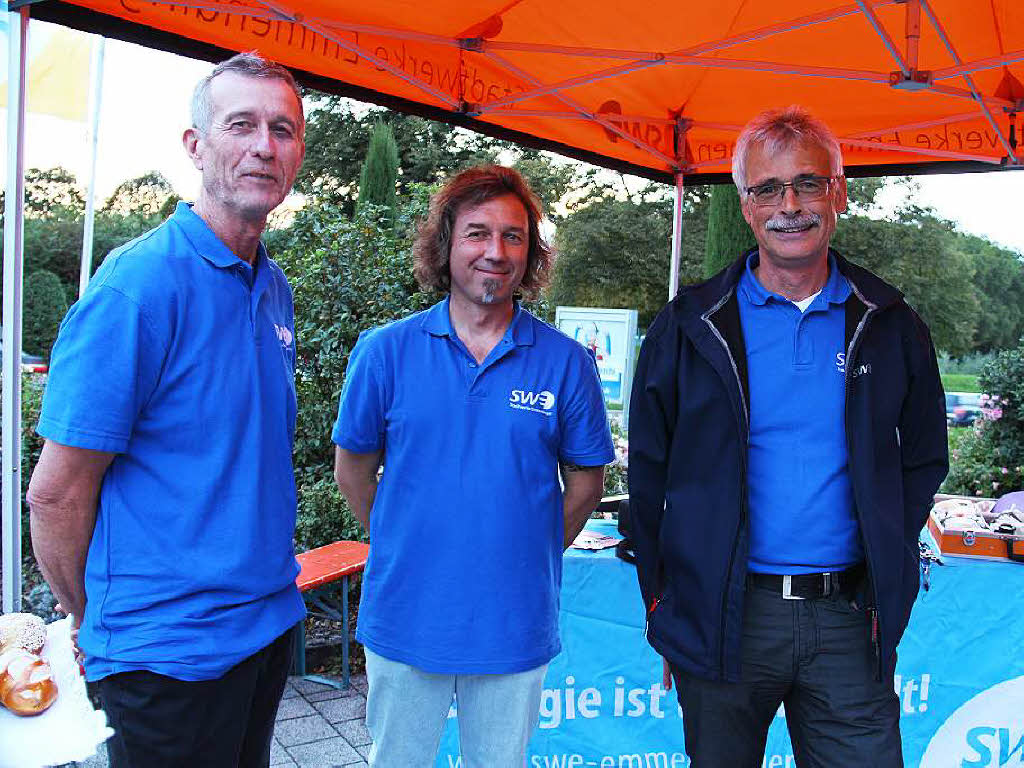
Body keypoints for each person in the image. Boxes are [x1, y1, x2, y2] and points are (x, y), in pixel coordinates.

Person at [628, 106, 948, 767]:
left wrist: (885, 546)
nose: (790, 206)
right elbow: (648, 477)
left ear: (841, 192)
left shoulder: (889, 323)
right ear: (745, 205)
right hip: (725, 615)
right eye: (767, 188)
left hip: (846, 619)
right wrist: (668, 605)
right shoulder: (690, 324)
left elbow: (924, 457)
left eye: (808, 182)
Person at [27, 52, 306, 768]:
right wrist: (103, 625)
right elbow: (56, 494)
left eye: (283, 129)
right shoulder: (138, 287)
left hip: (264, 626)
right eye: (241, 125)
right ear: (196, 145)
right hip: (166, 656)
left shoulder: (272, 286)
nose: (263, 146)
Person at [332, 165, 615, 767]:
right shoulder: (384, 352)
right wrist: (404, 537)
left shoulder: (566, 364)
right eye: (477, 233)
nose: (495, 251)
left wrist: (526, 547)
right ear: (446, 245)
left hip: (514, 620)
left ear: (530, 252)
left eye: (513, 236)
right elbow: (352, 469)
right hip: (406, 614)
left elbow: (587, 483)